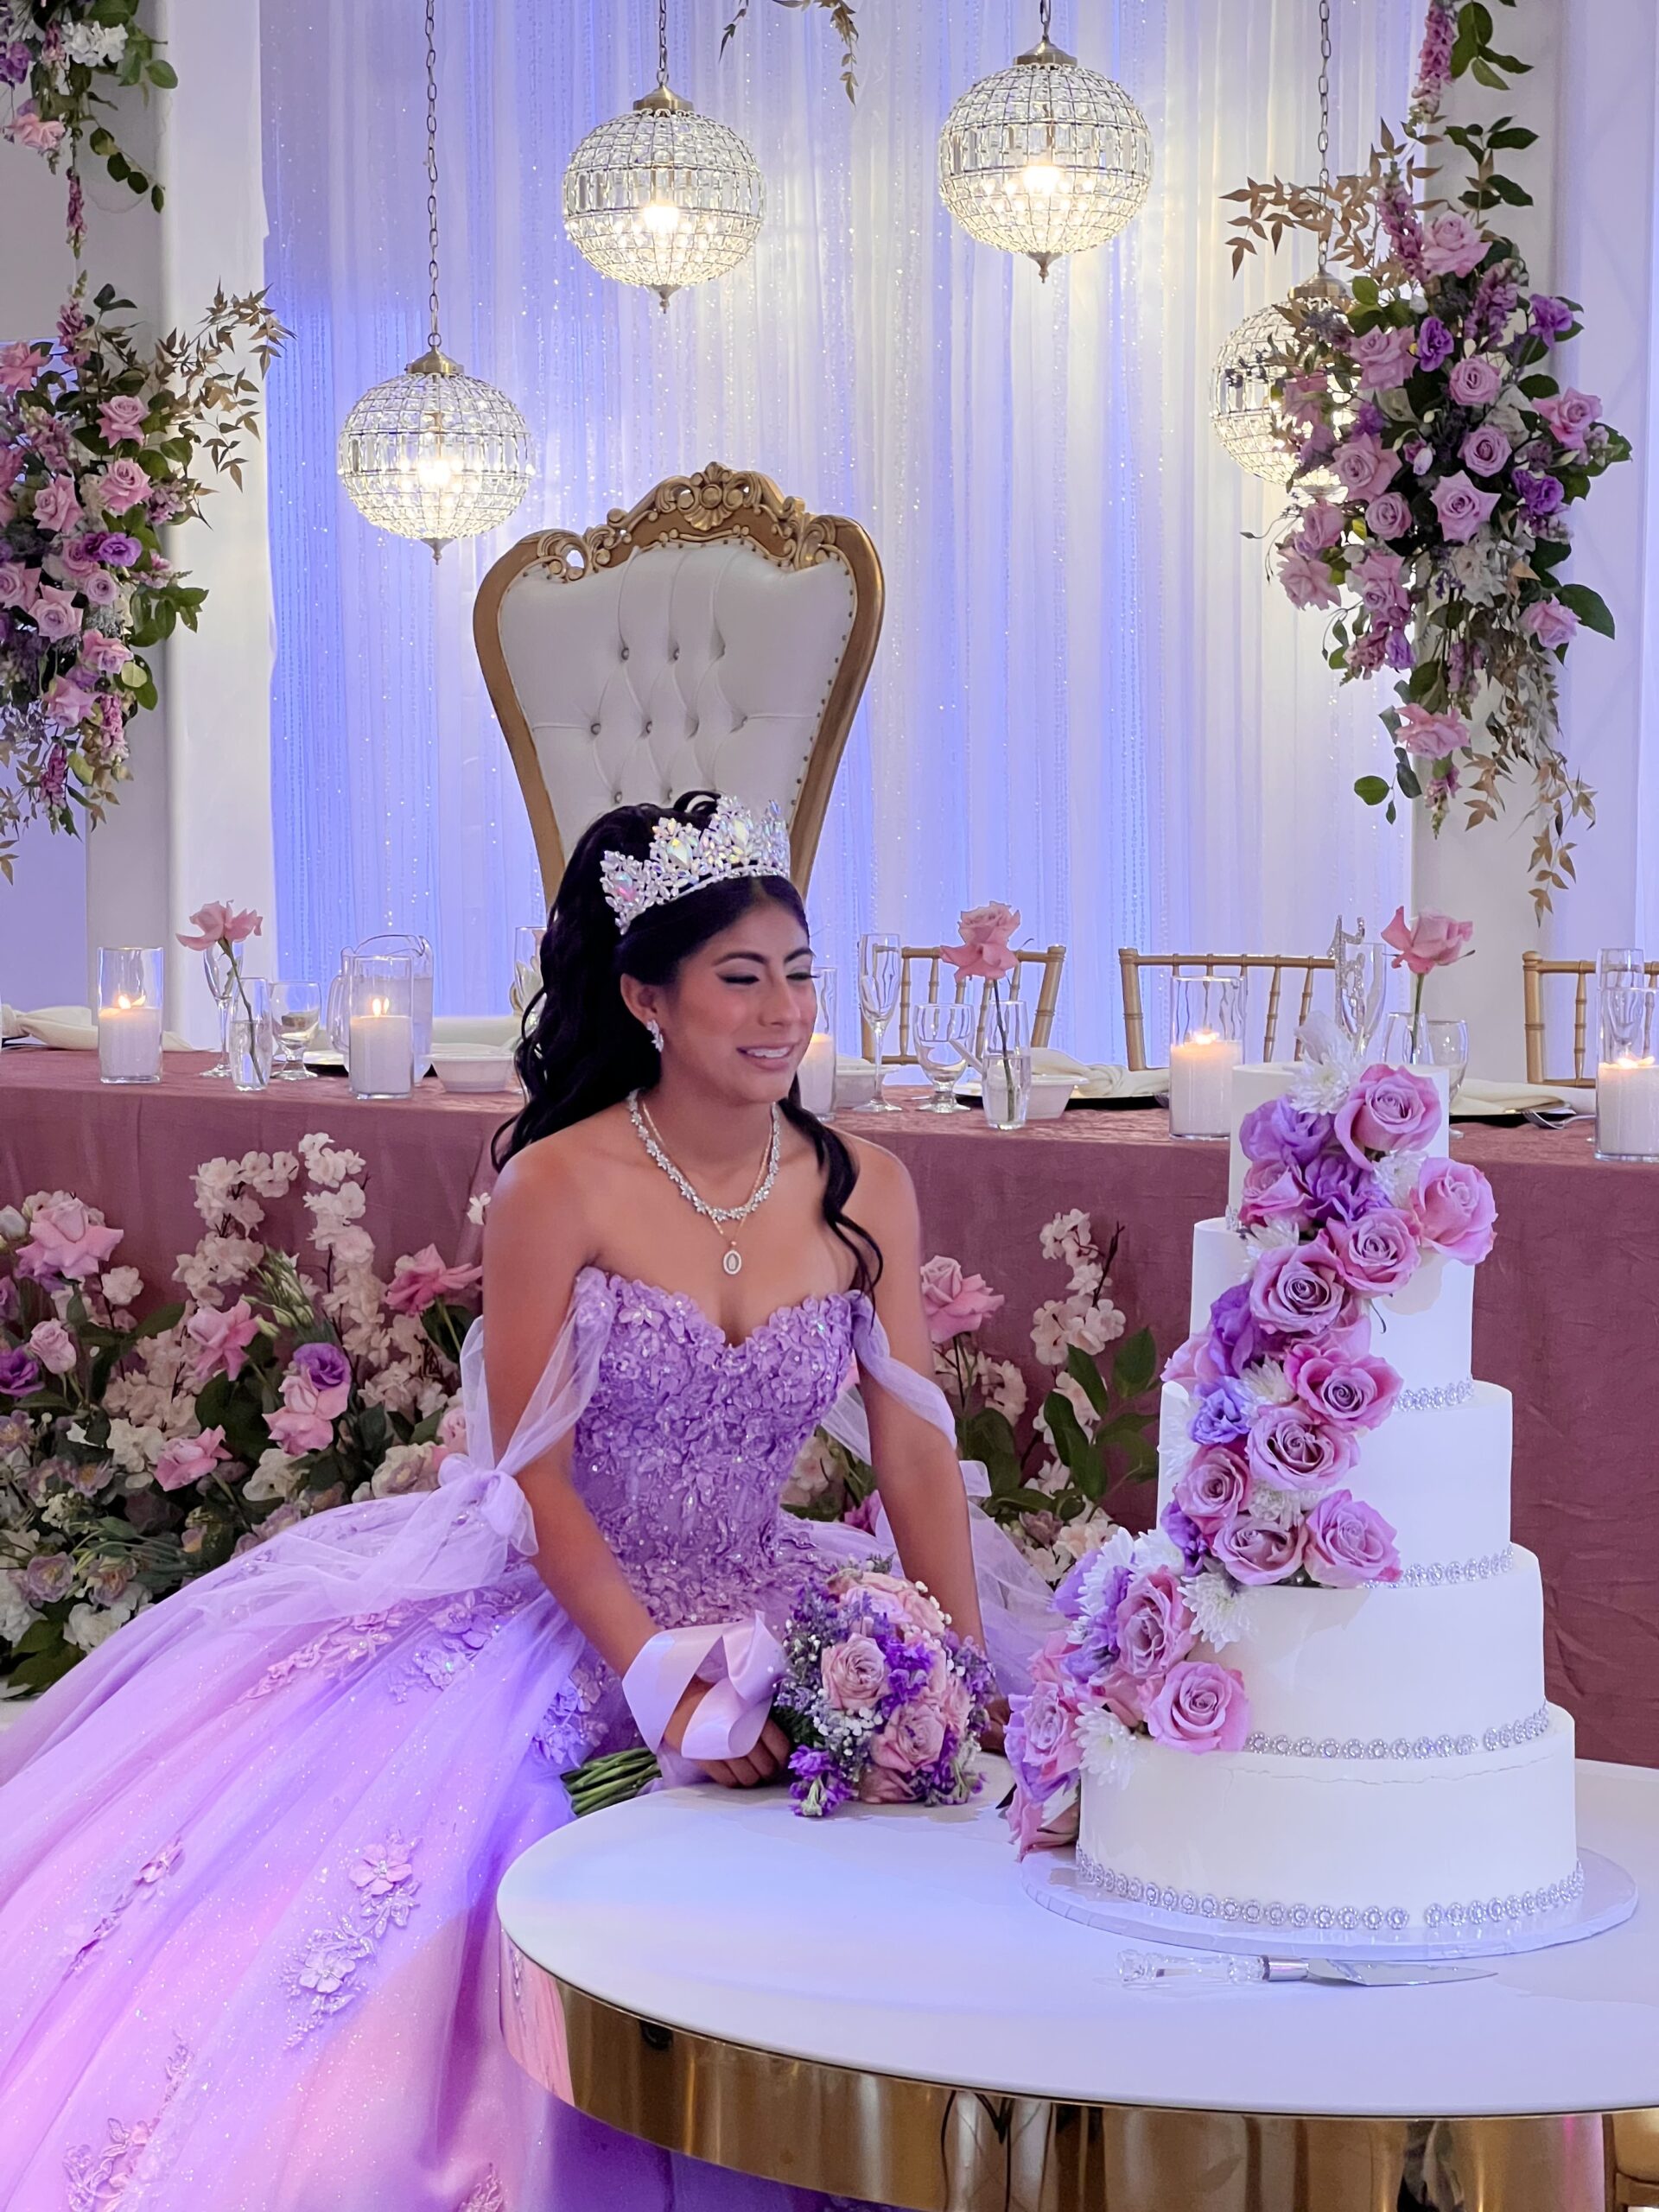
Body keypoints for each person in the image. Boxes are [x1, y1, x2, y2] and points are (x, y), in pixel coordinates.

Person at [0, 791, 1046, 2212]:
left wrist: (954, 1666)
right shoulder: (558, 1180)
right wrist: (662, 1679)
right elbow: (527, 1474)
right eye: (742, 977)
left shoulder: (867, 1185)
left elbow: (915, 1452)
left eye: (801, 972)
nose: (785, 1010)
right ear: (645, 998)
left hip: (773, 1594)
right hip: (564, 1606)